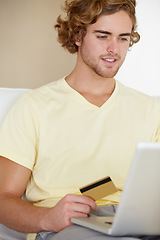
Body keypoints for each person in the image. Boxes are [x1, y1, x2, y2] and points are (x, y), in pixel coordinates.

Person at [0, 0, 160, 240]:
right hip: (67, 227)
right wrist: (47, 218)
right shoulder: (33, 107)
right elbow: (3, 200)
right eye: (103, 36)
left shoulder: (152, 109)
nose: (114, 49)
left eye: (123, 38)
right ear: (77, 35)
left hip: (139, 220)